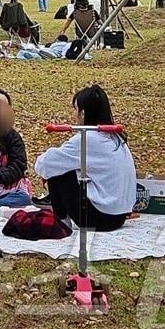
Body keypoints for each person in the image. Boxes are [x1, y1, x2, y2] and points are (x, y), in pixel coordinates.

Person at [35, 85, 135, 231]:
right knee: (63, 165)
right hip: (119, 216)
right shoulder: (116, 138)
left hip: (98, 217)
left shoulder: (87, 139)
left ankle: (61, 222)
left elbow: (44, 164)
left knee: (58, 171)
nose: (74, 115)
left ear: (82, 113)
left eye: (75, 110)